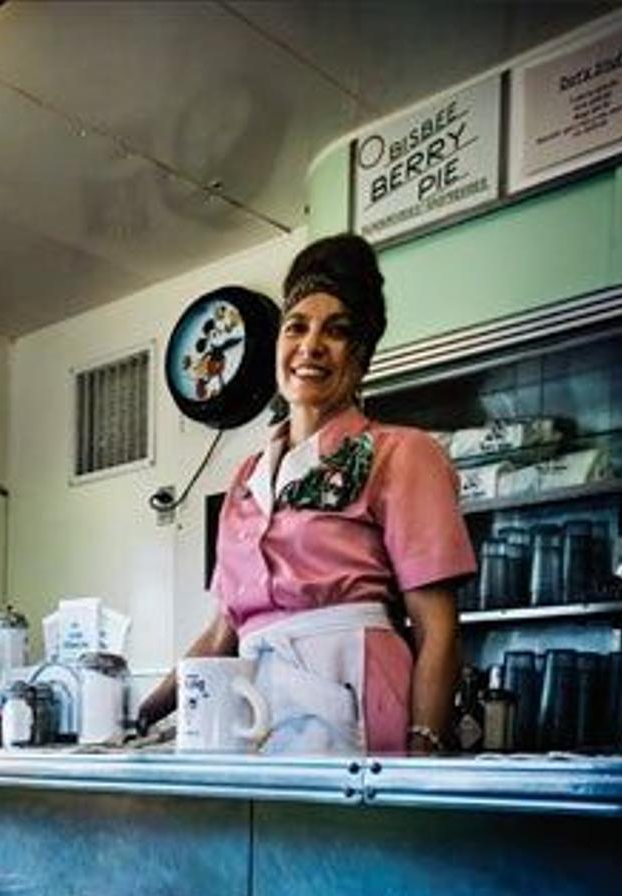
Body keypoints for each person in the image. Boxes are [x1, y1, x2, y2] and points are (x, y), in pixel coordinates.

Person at [136, 233, 475, 755]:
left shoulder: (402, 454)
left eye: (335, 332)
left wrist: (422, 752)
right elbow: (222, 632)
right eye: (296, 327)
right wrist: (141, 712)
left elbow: (437, 629)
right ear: (277, 347)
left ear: (359, 359)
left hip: (354, 687)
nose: (311, 346)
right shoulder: (246, 479)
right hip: (254, 708)